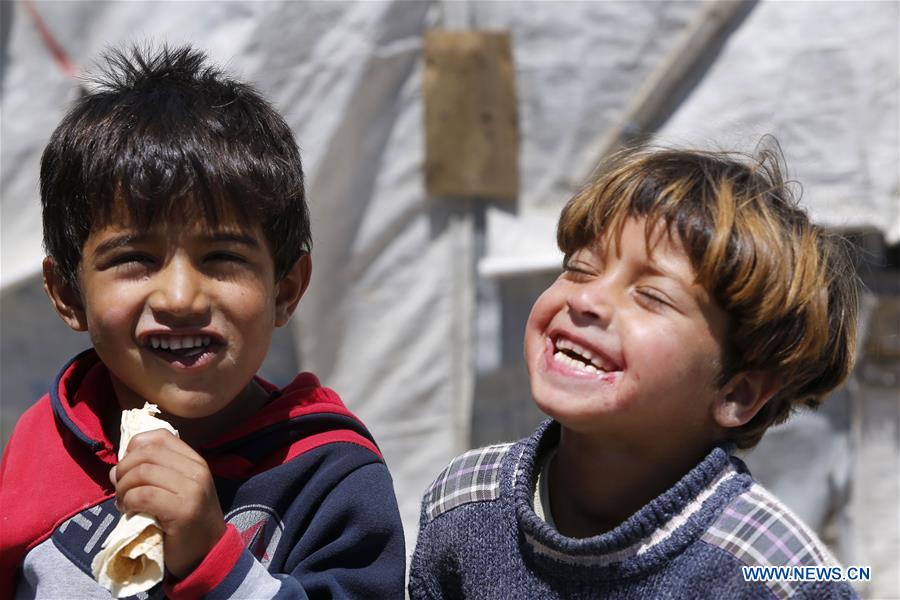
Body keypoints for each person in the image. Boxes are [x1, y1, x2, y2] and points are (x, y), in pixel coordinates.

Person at [0, 44, 405, 599]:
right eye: (134, 259)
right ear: (68, 293)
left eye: (222, 258)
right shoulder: (45, 444)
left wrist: (215, 560)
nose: (181, 297)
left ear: (286, 289)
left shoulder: (329, 480)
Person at [409, 143, 862, 599]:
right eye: (581, 268)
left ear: (737, 394)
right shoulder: (464, 501)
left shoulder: (779, 574)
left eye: (651, 296)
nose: (586, 300)